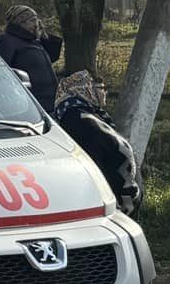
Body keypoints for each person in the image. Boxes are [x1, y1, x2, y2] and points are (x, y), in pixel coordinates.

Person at [54, 71, 143, 210]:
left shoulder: (75, 114)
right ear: (84, 89)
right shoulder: (83, 121)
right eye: (100, 88)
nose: (104, 93)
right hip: (111, 202)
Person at [0, 5, 62, 112]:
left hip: (49, 101)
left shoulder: (34, 41)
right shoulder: (7, 40)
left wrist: (44, 36)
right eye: (33, 20)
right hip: (30, 103)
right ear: (20, 22)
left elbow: (52, 57)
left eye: (37, 20)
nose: (37, 24)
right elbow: (0, 73)